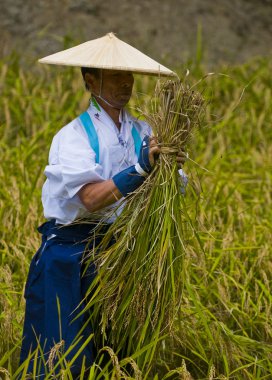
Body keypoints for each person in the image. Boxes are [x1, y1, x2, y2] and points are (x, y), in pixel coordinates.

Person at [19, 33, 187, 378]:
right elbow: (90, 198)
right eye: (114, 76)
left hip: (120, 255)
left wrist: (169, 166)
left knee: (118, 355)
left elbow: (169, 190)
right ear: (90, 81)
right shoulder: (72, 137)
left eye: (129, 75)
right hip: (70, 255)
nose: (125, 83)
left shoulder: (144, 131)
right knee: (64, 356)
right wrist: (140, 170)